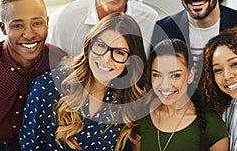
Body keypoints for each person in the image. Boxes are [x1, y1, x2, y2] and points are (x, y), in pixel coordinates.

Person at [20, 13, 148, 151]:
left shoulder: (130, 102)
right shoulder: (47, 87)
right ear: (89, 45)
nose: (106, 59)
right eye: (100, 45)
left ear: (130, 60)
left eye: (119, 52)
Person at [0, 0, 67, 151]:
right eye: (18, 25)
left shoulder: (60, 61)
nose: (29, 34)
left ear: (47, 22)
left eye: (37, 23)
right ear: (3, 28)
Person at [133, 39, 229, 151]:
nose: (165, 85)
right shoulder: (143, 115)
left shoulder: (212, 124)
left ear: (190, 75)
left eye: (175, 75)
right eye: (157, 75)